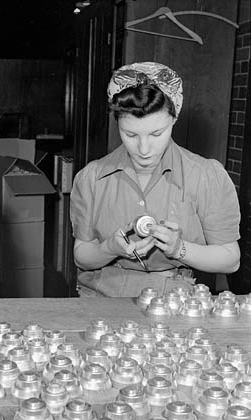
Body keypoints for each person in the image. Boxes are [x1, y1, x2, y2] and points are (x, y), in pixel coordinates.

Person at [70, 61, 240, 297]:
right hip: (102, 299)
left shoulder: (206, 176)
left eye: (156, 133)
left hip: (177, 300)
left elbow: (230, 260)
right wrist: (109, 247)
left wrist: (179, 248)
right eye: (130, 134)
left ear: (174, 119)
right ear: (116, 122)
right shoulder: (91, 178)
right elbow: (82, 256)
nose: (144, 148)